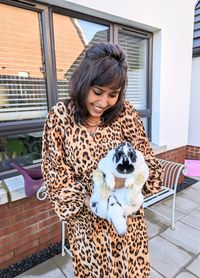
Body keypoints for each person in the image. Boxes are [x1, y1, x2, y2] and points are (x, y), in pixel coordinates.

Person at [41, 42, 162, 277]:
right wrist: (97, 203)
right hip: (89, 228)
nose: (103, 102)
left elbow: (150, 165)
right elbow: (55, 176)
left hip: (128, 226)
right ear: (83, 82)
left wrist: (125, 186)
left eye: (112, 95)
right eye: (97, 92)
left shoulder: (125, 114)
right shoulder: (60, 118)